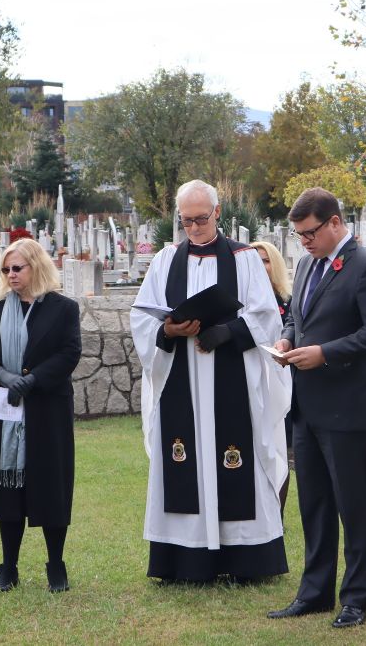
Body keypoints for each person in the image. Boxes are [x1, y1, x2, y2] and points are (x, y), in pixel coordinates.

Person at [129, 179, 291, 583]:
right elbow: (141, 317)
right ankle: (184, 560)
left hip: (230, 375)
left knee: (237, 456)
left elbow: (266, 316)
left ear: (218, 213)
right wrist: (168, 331)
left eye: (201, 219)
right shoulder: (166, 260)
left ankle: (246, 559)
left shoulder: (244, 259)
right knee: (183, 458)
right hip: (181, 377)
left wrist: (229, 332)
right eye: (186, 221)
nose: (194, 228)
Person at [269, 187, 366, 628]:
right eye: (299, 235)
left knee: (353, 507)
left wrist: (325, 353)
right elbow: (297, 316)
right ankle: (314, 593)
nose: (304, 242)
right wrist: (287, 338)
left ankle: (356, 599)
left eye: (310, 233)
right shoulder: (308, 264)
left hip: (347, 405)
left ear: (335, 223)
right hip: (306, 405)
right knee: (315, 505)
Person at [0, 238, 81, 593]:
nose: (10, 275)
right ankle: (8, 567)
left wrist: (32, 380)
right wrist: (4, 376)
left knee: (51, 485)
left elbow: (69, 353)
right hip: (6, 409)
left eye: (17, 268)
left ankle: (56, 565)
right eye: (5, 269)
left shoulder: (63, 308)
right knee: (7, 488)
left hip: (47, 409)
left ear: (36, 266)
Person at [250, 240, 294, 518]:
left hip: (281, 377)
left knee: (279, 447)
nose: (261, 266)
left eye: (266, 261)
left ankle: (277, 512)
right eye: (255, 261)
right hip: (251, 380)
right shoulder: (244, 302)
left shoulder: (287, 302)